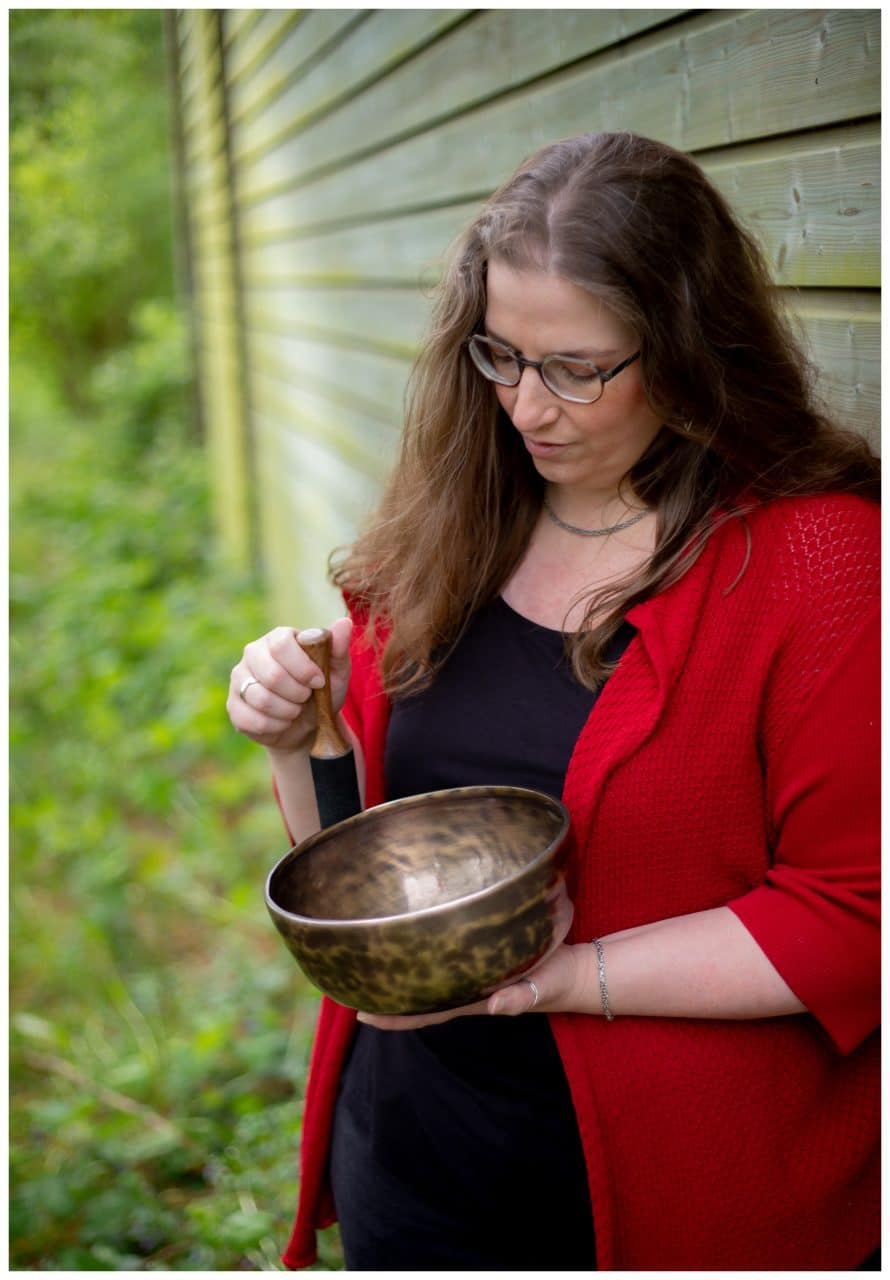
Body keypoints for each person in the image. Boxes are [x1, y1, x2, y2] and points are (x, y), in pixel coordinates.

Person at [227, 132, 880, 1271]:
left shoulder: (819, 564)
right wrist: (299, 737)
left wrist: (567, 979)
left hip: (676, 1199)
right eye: (501, 355)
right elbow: (372, 863)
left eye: (577, 368)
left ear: (687, 347)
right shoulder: (453, 518)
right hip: (418, 1162)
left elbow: (857, 916)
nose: (527, 407)